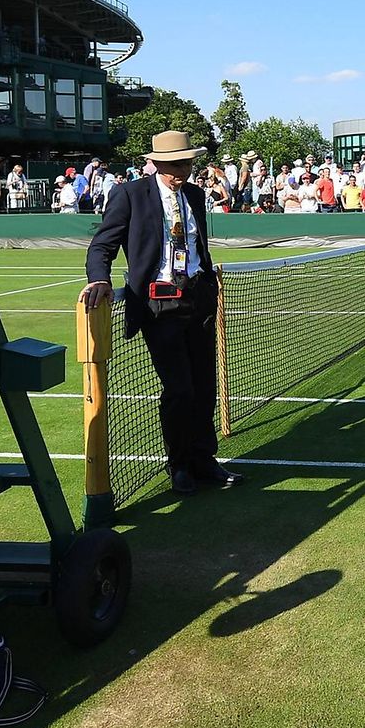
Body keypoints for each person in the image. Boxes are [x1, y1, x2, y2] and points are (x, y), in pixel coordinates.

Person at [80, 131, 242, 495]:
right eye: (173, 165)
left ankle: (204, 459)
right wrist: (99, 280)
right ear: (155, 163)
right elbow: (101, 246)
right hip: (159, 305)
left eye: (186, 163)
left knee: (204, 387)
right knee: (179, 389)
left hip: (199, 298)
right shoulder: (130, 194)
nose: (181, 171)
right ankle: (180, 465)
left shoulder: (196, 195)